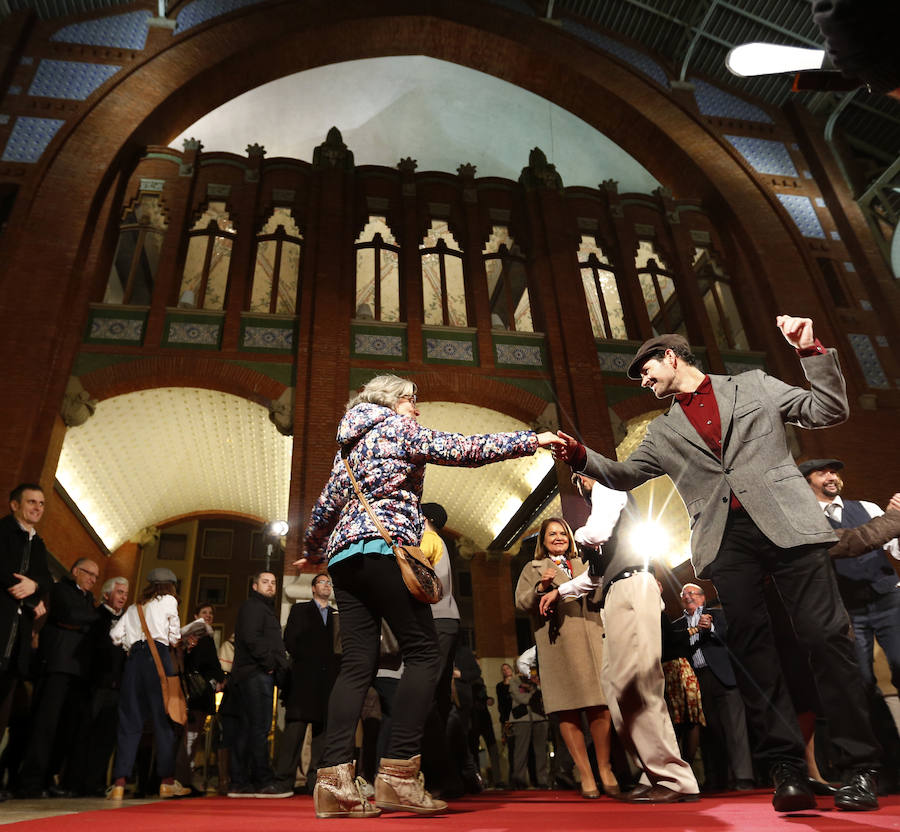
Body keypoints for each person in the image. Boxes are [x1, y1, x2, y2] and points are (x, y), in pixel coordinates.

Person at [552, 315, 881, 813]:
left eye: (645, 370)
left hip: (790, 528)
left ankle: (860, 769)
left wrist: (810, 350)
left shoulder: (753, 386)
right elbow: (622, 474)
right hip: (727, 542)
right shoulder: (663, 432)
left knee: (824, 638)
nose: (644, 382)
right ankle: (786, 769)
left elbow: (827, 408)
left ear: (670, 356)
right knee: (753, 650)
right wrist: (578, 455)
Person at [297, 373, 561, 818]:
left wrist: (311, 552)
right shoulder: (398, 429)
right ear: (395, 400)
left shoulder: (347, 447)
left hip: (344, 559)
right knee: (422, 654)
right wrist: (531, 441)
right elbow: (463, 450)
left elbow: (325, 505)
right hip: (388, 551)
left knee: (357, 664)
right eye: (412, 400)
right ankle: (398, 774)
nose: (416, 408)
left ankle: (333, 782)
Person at [540, 478, 699, 804]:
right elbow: (596, 575)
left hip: (632, 587)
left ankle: (674, 777)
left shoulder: (608, 490)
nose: (579, 483)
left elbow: (595, 533)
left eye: (581, 474)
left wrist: (579, 536)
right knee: (615, 684)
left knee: (639, 681)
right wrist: (561, 590)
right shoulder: (603, 513)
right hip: (614, 590)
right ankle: (652, 771)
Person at [515, 517, 618, 798]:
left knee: (600, 704)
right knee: (567, 707)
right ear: (543, 540)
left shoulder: (585, 561)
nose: (558, 537)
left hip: (591, 637)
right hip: (556, 643)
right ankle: (585, 773)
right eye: (552, 534)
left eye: (563, 533)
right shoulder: (532, 568)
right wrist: (540, 587)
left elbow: (603, 591)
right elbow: (521, 603)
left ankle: (605, 768)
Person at [800, 459, 900, 690]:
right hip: (848, 610)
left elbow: (896, 550)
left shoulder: (867, 508)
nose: (831, 477)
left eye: (833, 472)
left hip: (888, 599)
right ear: (807, 483)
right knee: (860, 677)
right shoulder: (808, 524)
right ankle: (876, 723)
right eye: (822, 474)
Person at [17, 557, 100, 798]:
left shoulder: (87, 599)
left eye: (96, 577)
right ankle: (29, 781)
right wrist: (98, 616)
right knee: (44, 726)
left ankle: (48, 777)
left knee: (65, 729)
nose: (93, 580)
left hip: (78, 671)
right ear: (75, 571)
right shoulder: (61, 589)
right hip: (57, 664)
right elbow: (71, 615)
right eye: (89, 573)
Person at [108, 567, 190, 800]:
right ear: (171, 586)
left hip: (134, 663)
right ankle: (166, 782)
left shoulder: (135, 607)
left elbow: (114, 635)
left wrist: (131, 646)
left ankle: (119, 783)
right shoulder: (169, 601)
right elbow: (174, 636)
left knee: (129, 721)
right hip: (159, 660)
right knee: (163, 720)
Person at [675, 583, 753, 791]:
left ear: (702, 597)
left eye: (691, 593)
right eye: (683, 594)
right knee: (710, 732)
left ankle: (743, 778)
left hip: (723, 676)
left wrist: (711, 629)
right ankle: (716, 779)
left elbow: (731, 637)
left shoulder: (718, 615)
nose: (687, 596)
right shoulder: (677, 625)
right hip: (696, 681)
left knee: (735, 728)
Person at [0, 482, 51, 799]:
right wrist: (26, 589)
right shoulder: (3, 532)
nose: (37, 508)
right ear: (14, 505)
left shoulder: (40, 544)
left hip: (15, 646)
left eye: (42, 503)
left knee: (2, 715)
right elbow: (6, 571)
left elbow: (45, 578)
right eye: (31, 502)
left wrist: (34, 588)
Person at [273, 573, 339, 795]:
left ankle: (315, 782)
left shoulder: (336, 615)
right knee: (295, 732)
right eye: (322, 582)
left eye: (329, 583)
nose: (327, 586)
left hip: (328, 682)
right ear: (313, 588)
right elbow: (290, 639)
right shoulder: (300, 610)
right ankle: (284, 779)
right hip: (303, 679)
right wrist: (310, 659)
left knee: (322, 737)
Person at [228, 571, 291, 798]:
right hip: (256, 674)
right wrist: (270, 664)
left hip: (252, 675)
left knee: (247, 729)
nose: (271, 586)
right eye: (265, 582)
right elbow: (251, 638)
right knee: (259, 729)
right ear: (254, 586)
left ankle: (240, 782)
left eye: (273, 583)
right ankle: (263, 781)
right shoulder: (254, 607)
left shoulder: (261, 608)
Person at [418, 502, 464, 797]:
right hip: (447, 620)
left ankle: (440, 776)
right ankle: (454, 777)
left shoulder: (427, 540)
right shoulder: (439, 542)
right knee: (439, 699)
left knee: (425, 697)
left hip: (435, 621)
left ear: (425, 519)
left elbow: (419, 580)